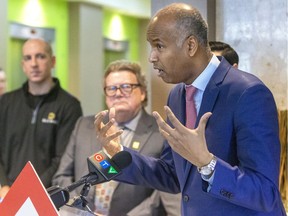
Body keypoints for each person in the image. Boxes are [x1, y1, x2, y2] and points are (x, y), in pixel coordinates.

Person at [94, 3, 286, 216]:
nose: (152, 57)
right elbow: (172, 174)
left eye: (159, 46)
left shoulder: (248, 93)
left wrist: (207, 163)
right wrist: (117, 153)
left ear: (191, 46)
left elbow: (266, 193)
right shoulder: (177, 95)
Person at [52, 60, 181, 216]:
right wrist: (81, 211)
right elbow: (62, 176)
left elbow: (163, 191)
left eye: (126, 87)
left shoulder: (161, 132)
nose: (118, 93)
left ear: (142, 92)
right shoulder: (84, 126)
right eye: (111, 88)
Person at [0, 38, 83, 199]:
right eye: (28, 58)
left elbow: (63, 158)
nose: (34, 64)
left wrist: (30, 189)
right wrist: (3, 185)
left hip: (47, 196)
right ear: (23, 65)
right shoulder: (6, 102)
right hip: (7, 193)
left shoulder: (69, 106)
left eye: (40, 56)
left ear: (53, 61)